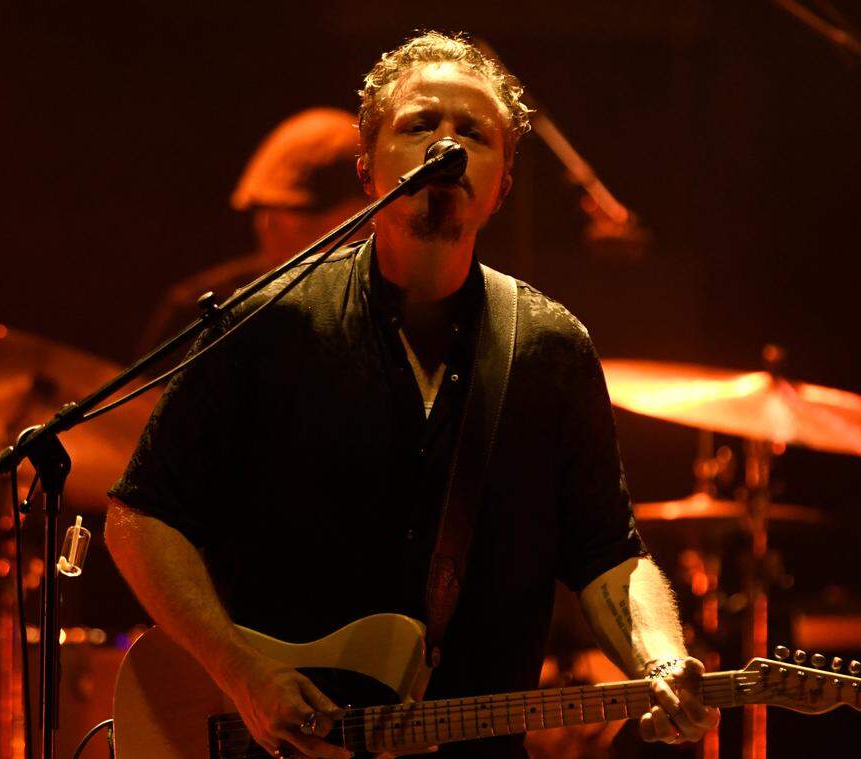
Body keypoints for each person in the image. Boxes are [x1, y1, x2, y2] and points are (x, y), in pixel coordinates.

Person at [105, 31, 718, 758]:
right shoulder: (270, 322)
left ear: (502, 187)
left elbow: (608, 550)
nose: (446, 146)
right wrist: (240, 671)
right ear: (368, 171)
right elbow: (140, 516)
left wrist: (659, 660)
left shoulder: (550, 350)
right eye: (420, 125)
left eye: (473, 134)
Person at [136, 107, 368, 353]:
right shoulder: (199, 311)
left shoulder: (391, 313)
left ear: (360, 217)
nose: (267, 228)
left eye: (300, 223)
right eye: (265, 215)